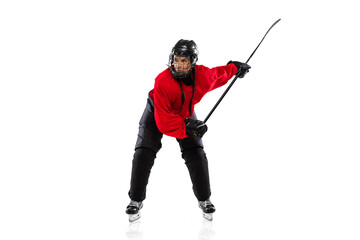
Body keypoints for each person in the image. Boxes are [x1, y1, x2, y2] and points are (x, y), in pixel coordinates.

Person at [126, 39, 251, 222]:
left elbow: (217, 75)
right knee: (143, 153)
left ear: (192, 62)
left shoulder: (201, 75)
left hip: (185, 113)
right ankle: (135, 200)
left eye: (184, 61)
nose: (179, 64)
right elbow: (165, 123)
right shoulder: (162, 81)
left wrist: (234, 68)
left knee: (196, 153)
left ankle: (204, 199)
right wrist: (188, 125)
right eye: (177, 60)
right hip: (158, 113)